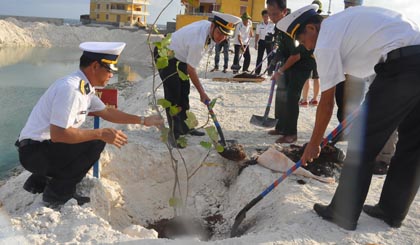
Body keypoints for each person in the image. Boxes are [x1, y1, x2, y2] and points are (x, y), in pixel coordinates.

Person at [277, 4, 420, 230]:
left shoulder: (326, 39)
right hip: (412, 60)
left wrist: (313, 144)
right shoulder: (344, 22)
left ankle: (342, 213)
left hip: (400, 68)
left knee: (362, 143)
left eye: (303, 39)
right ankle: (392, 210)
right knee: (413, 143)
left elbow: (326, 102)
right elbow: (378, 56)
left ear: (312, 28)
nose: (304, 46)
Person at [16, 42, 164, 208]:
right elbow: (59, 134)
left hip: (39, 149)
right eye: (109, 70)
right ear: (94, 66)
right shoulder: (71, 90)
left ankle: (40, 179)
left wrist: (143, 120)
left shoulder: (84, 87)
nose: (111, 75)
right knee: (95, 142)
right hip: (34, 153)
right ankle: (57, 194)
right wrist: (100, 134)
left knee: (88, 138)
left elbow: (106, 112)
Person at [155, 11, 241, 148]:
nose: (222, 38)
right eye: (220, 33)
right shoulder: (198, 41)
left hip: (180, 56)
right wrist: (202, 93)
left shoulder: (209, 30)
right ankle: (174, 133)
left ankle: (185, 127)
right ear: (213, 26)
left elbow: (190, 65)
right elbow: (191, 69)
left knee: (185, 91)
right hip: (166, 55)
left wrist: (200, 91)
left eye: (226, 35)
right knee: (174, 95)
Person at [266, 0, 315, 144]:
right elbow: (282, 48)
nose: (271, 17)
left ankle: (291, 133)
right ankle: (280, 127)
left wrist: (280, 71)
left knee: (291, 96)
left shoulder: (292, 28)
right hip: (289, 63)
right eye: (269, 14)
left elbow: (296, 54)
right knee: (281, 94)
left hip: (302, 64)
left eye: (275, 14)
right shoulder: (278, 27)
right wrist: (275, 60)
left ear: (284, 11)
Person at [254, 9, 275, 76]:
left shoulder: (273, 24)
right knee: (259, 57)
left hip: (270, 42)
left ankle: (270, 71)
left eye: (267, 16)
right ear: (262, 16)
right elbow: (257, 35)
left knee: (270, 57)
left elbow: (275, 35)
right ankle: (257, 71)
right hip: (262, 42)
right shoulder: (259, 25)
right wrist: (255, 43)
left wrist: (275, 43)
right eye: (265, 16)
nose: (266, 17)